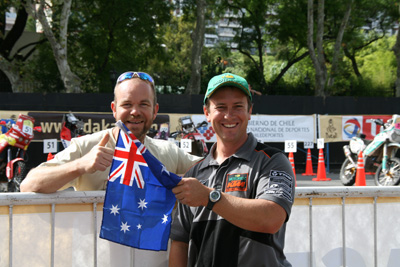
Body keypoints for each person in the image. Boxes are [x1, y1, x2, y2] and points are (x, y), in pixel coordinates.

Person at [169, 73, 295, 266]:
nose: (229, 115)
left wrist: (209, 197)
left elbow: (271, 219)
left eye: (238, 106)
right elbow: (180, 241)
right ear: (207, 112)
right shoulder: (194, 173)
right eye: (220, 107)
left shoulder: (272, 161)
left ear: (249, 111)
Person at [21, 71, 201, 193]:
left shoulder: (168, 152)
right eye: (127, 104)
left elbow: (213, 173)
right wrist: (80, 165)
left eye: (144, 104)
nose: (135, 112)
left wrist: (178, 181)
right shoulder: (86, 147)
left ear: (155, 111)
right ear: (114, 110)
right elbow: (28, 185)